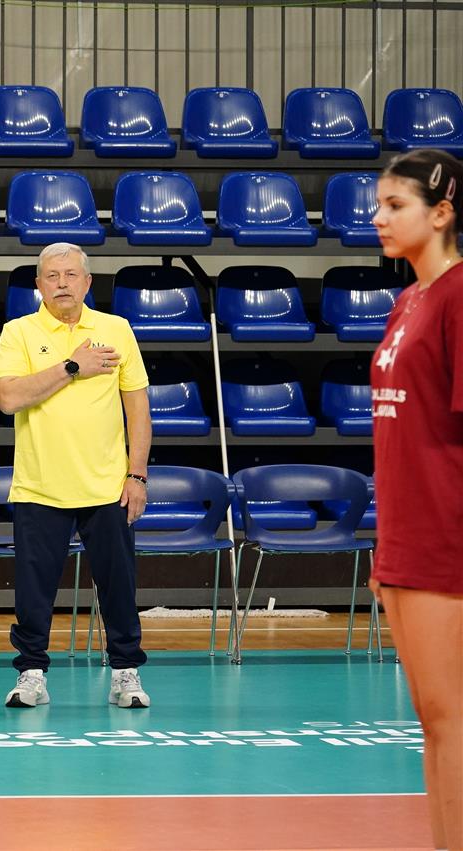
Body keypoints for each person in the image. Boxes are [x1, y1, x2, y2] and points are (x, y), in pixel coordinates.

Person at [0, 243, 152, 709]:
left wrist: (137, 475)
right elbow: (9, 398)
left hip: (108, 486)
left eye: (70, 275)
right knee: (33, 592)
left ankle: (125, 673)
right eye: (52, 276)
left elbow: (137, 408)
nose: (62, 283)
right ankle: (31, 674)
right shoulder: (18, 332)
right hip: (40, 486)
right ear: (38, 285)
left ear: (87, 283)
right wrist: (72, 367)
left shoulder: (116, 329)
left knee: (119, 586)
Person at [369, 147, 463, 851]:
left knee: (451, 717)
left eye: (396, 205)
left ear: (442, 212)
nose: (379, 218)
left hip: (446, 539)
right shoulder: (408, 300)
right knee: (433, 721)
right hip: (404, 539)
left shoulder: (459, 297)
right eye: (379, 204)